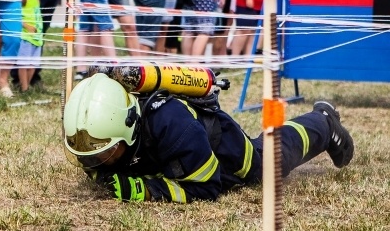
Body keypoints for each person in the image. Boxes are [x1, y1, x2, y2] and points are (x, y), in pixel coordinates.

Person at [63, 72, 355, 203]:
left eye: (102, 155)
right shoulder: (99, 132)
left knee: (270, 164)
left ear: (130, 127)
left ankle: (324, 122)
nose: (96, 162)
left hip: (222, 150)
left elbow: (207, 188)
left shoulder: (175, 128)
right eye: (86, 156)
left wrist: (146, 190)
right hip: (174, 152)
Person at [17, 0, 43, 92]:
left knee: (33, 64)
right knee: (24, 63)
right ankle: (24, 87)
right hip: (25, 36)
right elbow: (16, 16)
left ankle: (27, 85)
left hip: (37, 37)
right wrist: (26, 26)